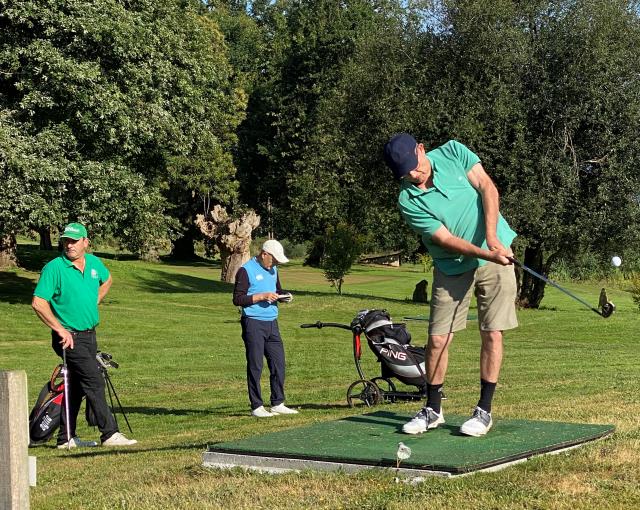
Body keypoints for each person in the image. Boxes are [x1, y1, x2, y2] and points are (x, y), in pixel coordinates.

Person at [383, 133, 518, 437]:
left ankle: (484, 411)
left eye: (414, 165)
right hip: (452, 266)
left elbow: (487, 187)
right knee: (438, 339)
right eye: (405, 172)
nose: (413, 174)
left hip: (496, 253)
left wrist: (492, 238)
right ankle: (433, 409)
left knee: (492, 332)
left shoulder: (453, 152)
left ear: (421, 149)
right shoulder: (407, 199)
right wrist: (486, 253)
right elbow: (446, 240)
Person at [32, 222, 137, 448]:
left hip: (89, 335)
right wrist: (60, 329)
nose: (69, 245)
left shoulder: (94, 263)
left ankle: (65, 438)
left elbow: (107, 280)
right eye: (66, 241)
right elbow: (38, 303)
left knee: (77, 386)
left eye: (74, 241)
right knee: (94, 380)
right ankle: (109, 433)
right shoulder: (54, 268)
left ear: (85, 242)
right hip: (68, 337)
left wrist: (94, 300)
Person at [233, 239, 298, 418]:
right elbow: (238, 299)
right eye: (274, 259)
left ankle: (277, 403)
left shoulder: (273, 269)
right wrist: (261, 296)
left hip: (272, 323)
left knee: (278, 364)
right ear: (264, 254)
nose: (276, 263)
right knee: (256, 365)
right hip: (253, 323)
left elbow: (277, 290)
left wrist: (284, 296)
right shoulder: (246, 270)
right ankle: (257, 406)